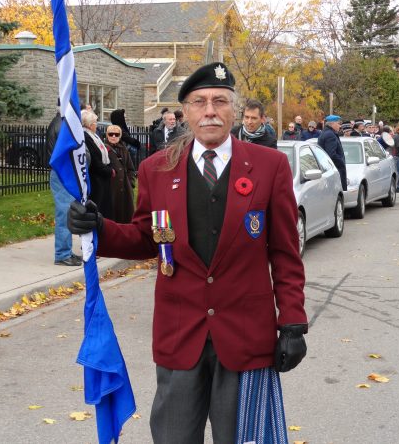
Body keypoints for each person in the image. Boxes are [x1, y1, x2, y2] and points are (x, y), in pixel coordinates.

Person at [67, 62, 308, 443]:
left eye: (219, 101)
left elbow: (284, 254)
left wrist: (292, 322)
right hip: (180, 335)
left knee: (243, 439)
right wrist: (99, 229)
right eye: (199, 102)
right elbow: (146, 238)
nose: (210, 110)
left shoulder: (270, 166)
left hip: (246, 337)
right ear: (186, 112)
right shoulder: (157, 170)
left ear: (233, 110)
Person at [46, 109, 82, 266]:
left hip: (63, 171)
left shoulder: (60, 123)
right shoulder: (62, 125)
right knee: (64, 213)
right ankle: (62, 254)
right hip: (62, 172)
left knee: (67, 211)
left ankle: (66, 251)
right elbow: (68, 150)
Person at [82, 109, 114, 220]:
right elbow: (94, 159)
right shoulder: (86, 137)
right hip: (96, 178)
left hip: (102, 177)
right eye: (95, 122)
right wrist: (109, 171)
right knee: (99, 208)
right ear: (90, 125)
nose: (97, 125)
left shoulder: (93, 135)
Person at [105, 124, 136, 223]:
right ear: (107, 135)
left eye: (116, 134)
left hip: (125, 187)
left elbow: (131, 168)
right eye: (111, 134)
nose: (113, 136)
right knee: (112, 215)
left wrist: (131, 183)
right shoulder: (103, 149)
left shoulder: (124, 149)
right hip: (111, 187)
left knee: (126, 215)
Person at [320, 115, 347, 190]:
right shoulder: (330, 135)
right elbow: (331, 154)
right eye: (338, 123)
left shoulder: (327, 133)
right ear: (332, 124)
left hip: (331, 169)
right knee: (338, 192)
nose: (340, 126)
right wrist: (341, 161)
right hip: (335, 169)